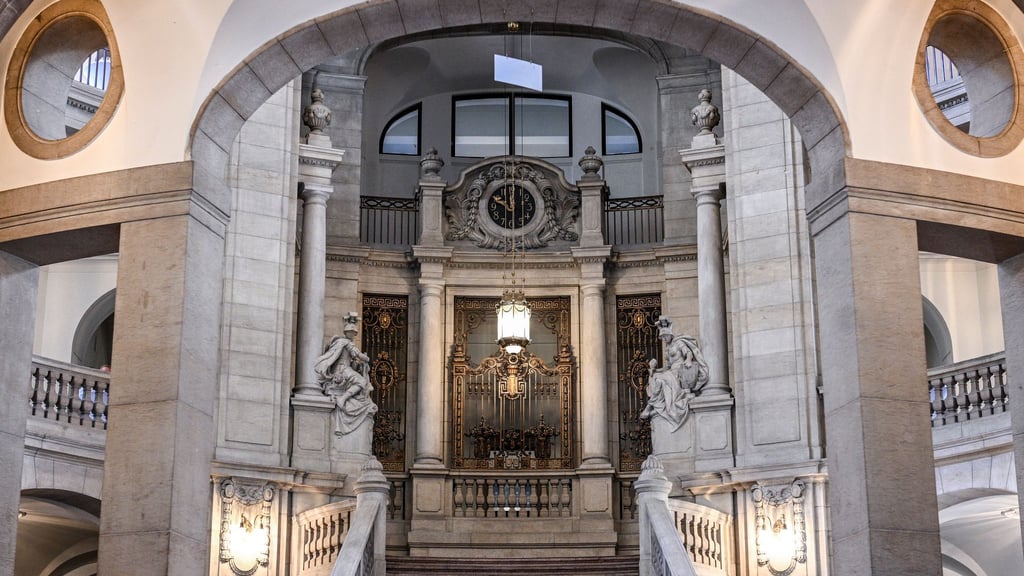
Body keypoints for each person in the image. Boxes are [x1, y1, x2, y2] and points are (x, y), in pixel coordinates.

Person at [314, 313, 377, 436]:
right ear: (349, 333)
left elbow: (353, 359)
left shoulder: (340, 342)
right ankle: (343, 398)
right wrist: (367, 358)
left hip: (344, 369)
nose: (354, 335)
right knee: (362, 382)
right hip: (343, 370)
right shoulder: (346, 343)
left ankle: (346, 398)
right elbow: (358, 355)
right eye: (353, 333)